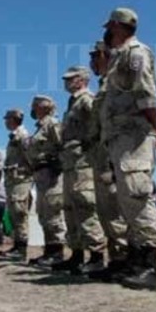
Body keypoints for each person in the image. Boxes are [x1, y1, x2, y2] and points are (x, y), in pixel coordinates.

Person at [100, 7, 156, 291]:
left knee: (138, 195)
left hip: (134, 138)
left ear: (118, 26)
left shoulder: (136, 54)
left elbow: (146, 94)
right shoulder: (119, 57)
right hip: (120, 139)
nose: (106, 31)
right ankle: (136, 262)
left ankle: (151, 270)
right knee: (127, 201)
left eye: (109, 26)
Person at [51, 65, 107, 274]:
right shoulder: (72, 103)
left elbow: (97, 127)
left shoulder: (86, 100)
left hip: (83, 163)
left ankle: (96, 256)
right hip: (69, 164)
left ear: (82, 80)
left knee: (85, 207)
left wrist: (90, 147)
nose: (67, 82)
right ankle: (75, 255)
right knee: (70, 209)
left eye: (71, 78)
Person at [87, 40, 131, 281]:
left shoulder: (116, 81)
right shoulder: (103, 85)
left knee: (115, 209)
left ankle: (125, 260)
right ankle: (115, 261)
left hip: (114, 153)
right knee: (105, 210)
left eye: (96, 57)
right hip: (101, 154)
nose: (92, 62)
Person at [26, 95, 66, 267]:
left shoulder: (52, 124)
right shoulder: (40, 127)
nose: (33, 109)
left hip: (52, 174)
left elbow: (61, 146)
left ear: (43, 107)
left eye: (35, 106)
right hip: (40, 175)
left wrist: (56, 166)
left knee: (53, 213)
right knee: (43, 214)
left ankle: (56, 253)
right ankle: (49, 250)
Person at [0, 109, 32, 258]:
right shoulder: (13, 137)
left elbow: (29, 156)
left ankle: (21, 249)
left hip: (21, 180)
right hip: (13, 180)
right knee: (14, 214)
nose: (6, 122)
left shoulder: (22, 136)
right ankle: (17, 245)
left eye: (7, 119)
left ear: (14, 119)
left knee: (20, 213)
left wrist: (29, 174)